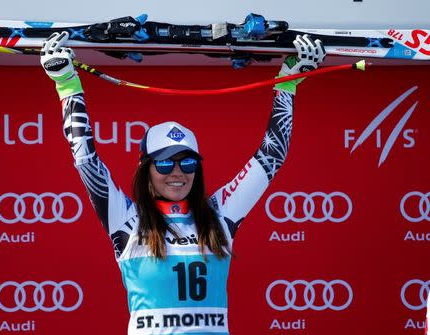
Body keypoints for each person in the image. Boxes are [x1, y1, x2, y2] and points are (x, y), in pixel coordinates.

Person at [40, 32, 325, 335]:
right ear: (146, 169)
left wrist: (289, 81)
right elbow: (86, 160)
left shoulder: (219, 215)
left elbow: (271, 157)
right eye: (164, 163)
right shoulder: (126, 219)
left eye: (187, 162)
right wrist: (67, 83)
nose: (177, 172)